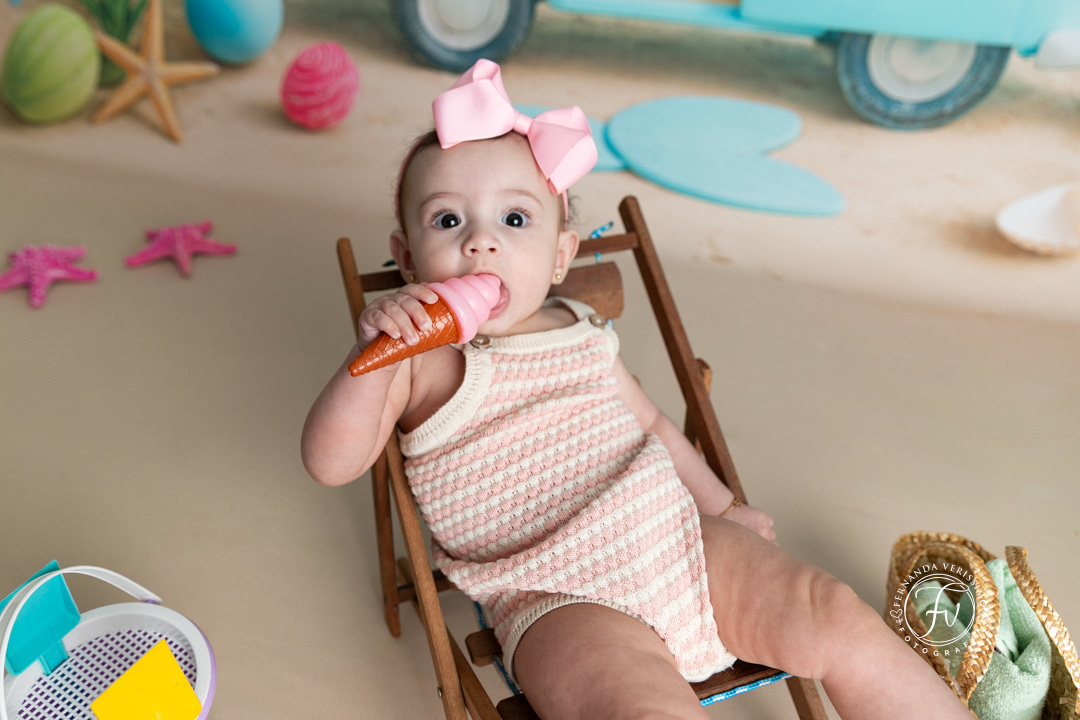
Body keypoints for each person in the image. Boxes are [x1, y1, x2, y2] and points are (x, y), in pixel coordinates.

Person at [301, 59, 970, 720]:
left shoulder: (581, 329)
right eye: (448, 221)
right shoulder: (417, 363)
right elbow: (331, 462)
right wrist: (375, 355)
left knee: (833, 613)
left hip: (676, 537)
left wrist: (722, 506)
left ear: (561, 256)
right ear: (407, 258)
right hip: (552, 597)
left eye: (515, 220)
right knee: (636, 706)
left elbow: (652, 424)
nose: (481, 244)